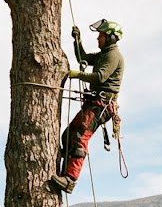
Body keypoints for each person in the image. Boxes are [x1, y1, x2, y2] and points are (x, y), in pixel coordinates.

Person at [49, 19, 124, 194]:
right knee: (69, 135)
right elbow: (82, 57)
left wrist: (78, 75)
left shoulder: (113, 56)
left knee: (80, 138)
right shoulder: (102, 55)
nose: (98, 38)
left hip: (101, 105)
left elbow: (99, 77)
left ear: (111, 38)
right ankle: (63, 171)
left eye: (101, 35)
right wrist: (77, 40)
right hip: (94, 103)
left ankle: (70, 180)